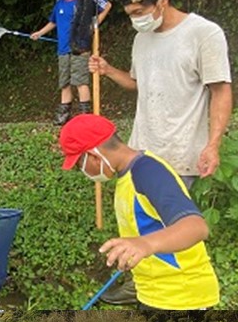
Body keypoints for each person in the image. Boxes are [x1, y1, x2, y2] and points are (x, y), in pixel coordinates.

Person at [89, 0, 232, 187]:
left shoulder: (204, 33)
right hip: (139, 154)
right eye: (131, 15)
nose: (136, 20)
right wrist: (108, 70)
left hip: (180, 157)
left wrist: (213, 145)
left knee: (172, 221)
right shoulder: (141, 39)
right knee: (139, 220)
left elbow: (220, 91)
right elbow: (138, 83)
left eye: (138, 12)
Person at [58, 114, 218, 309]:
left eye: (78, 165)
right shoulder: (126, 178)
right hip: (154, 295)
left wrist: (144, 244)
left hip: (182, 298)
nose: (83, 172)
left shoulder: (148, 172)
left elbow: (196, 227)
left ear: (93, 156)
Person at [31, 0, 110, 125]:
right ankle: (64, 114)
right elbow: (53, 22)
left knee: (80, 81)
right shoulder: (59, 3)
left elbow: (107, 5)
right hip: (63, 49)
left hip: (79, 49)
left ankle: (85, 115)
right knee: (64, 83)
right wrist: (39, 33)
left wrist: (95, 23)